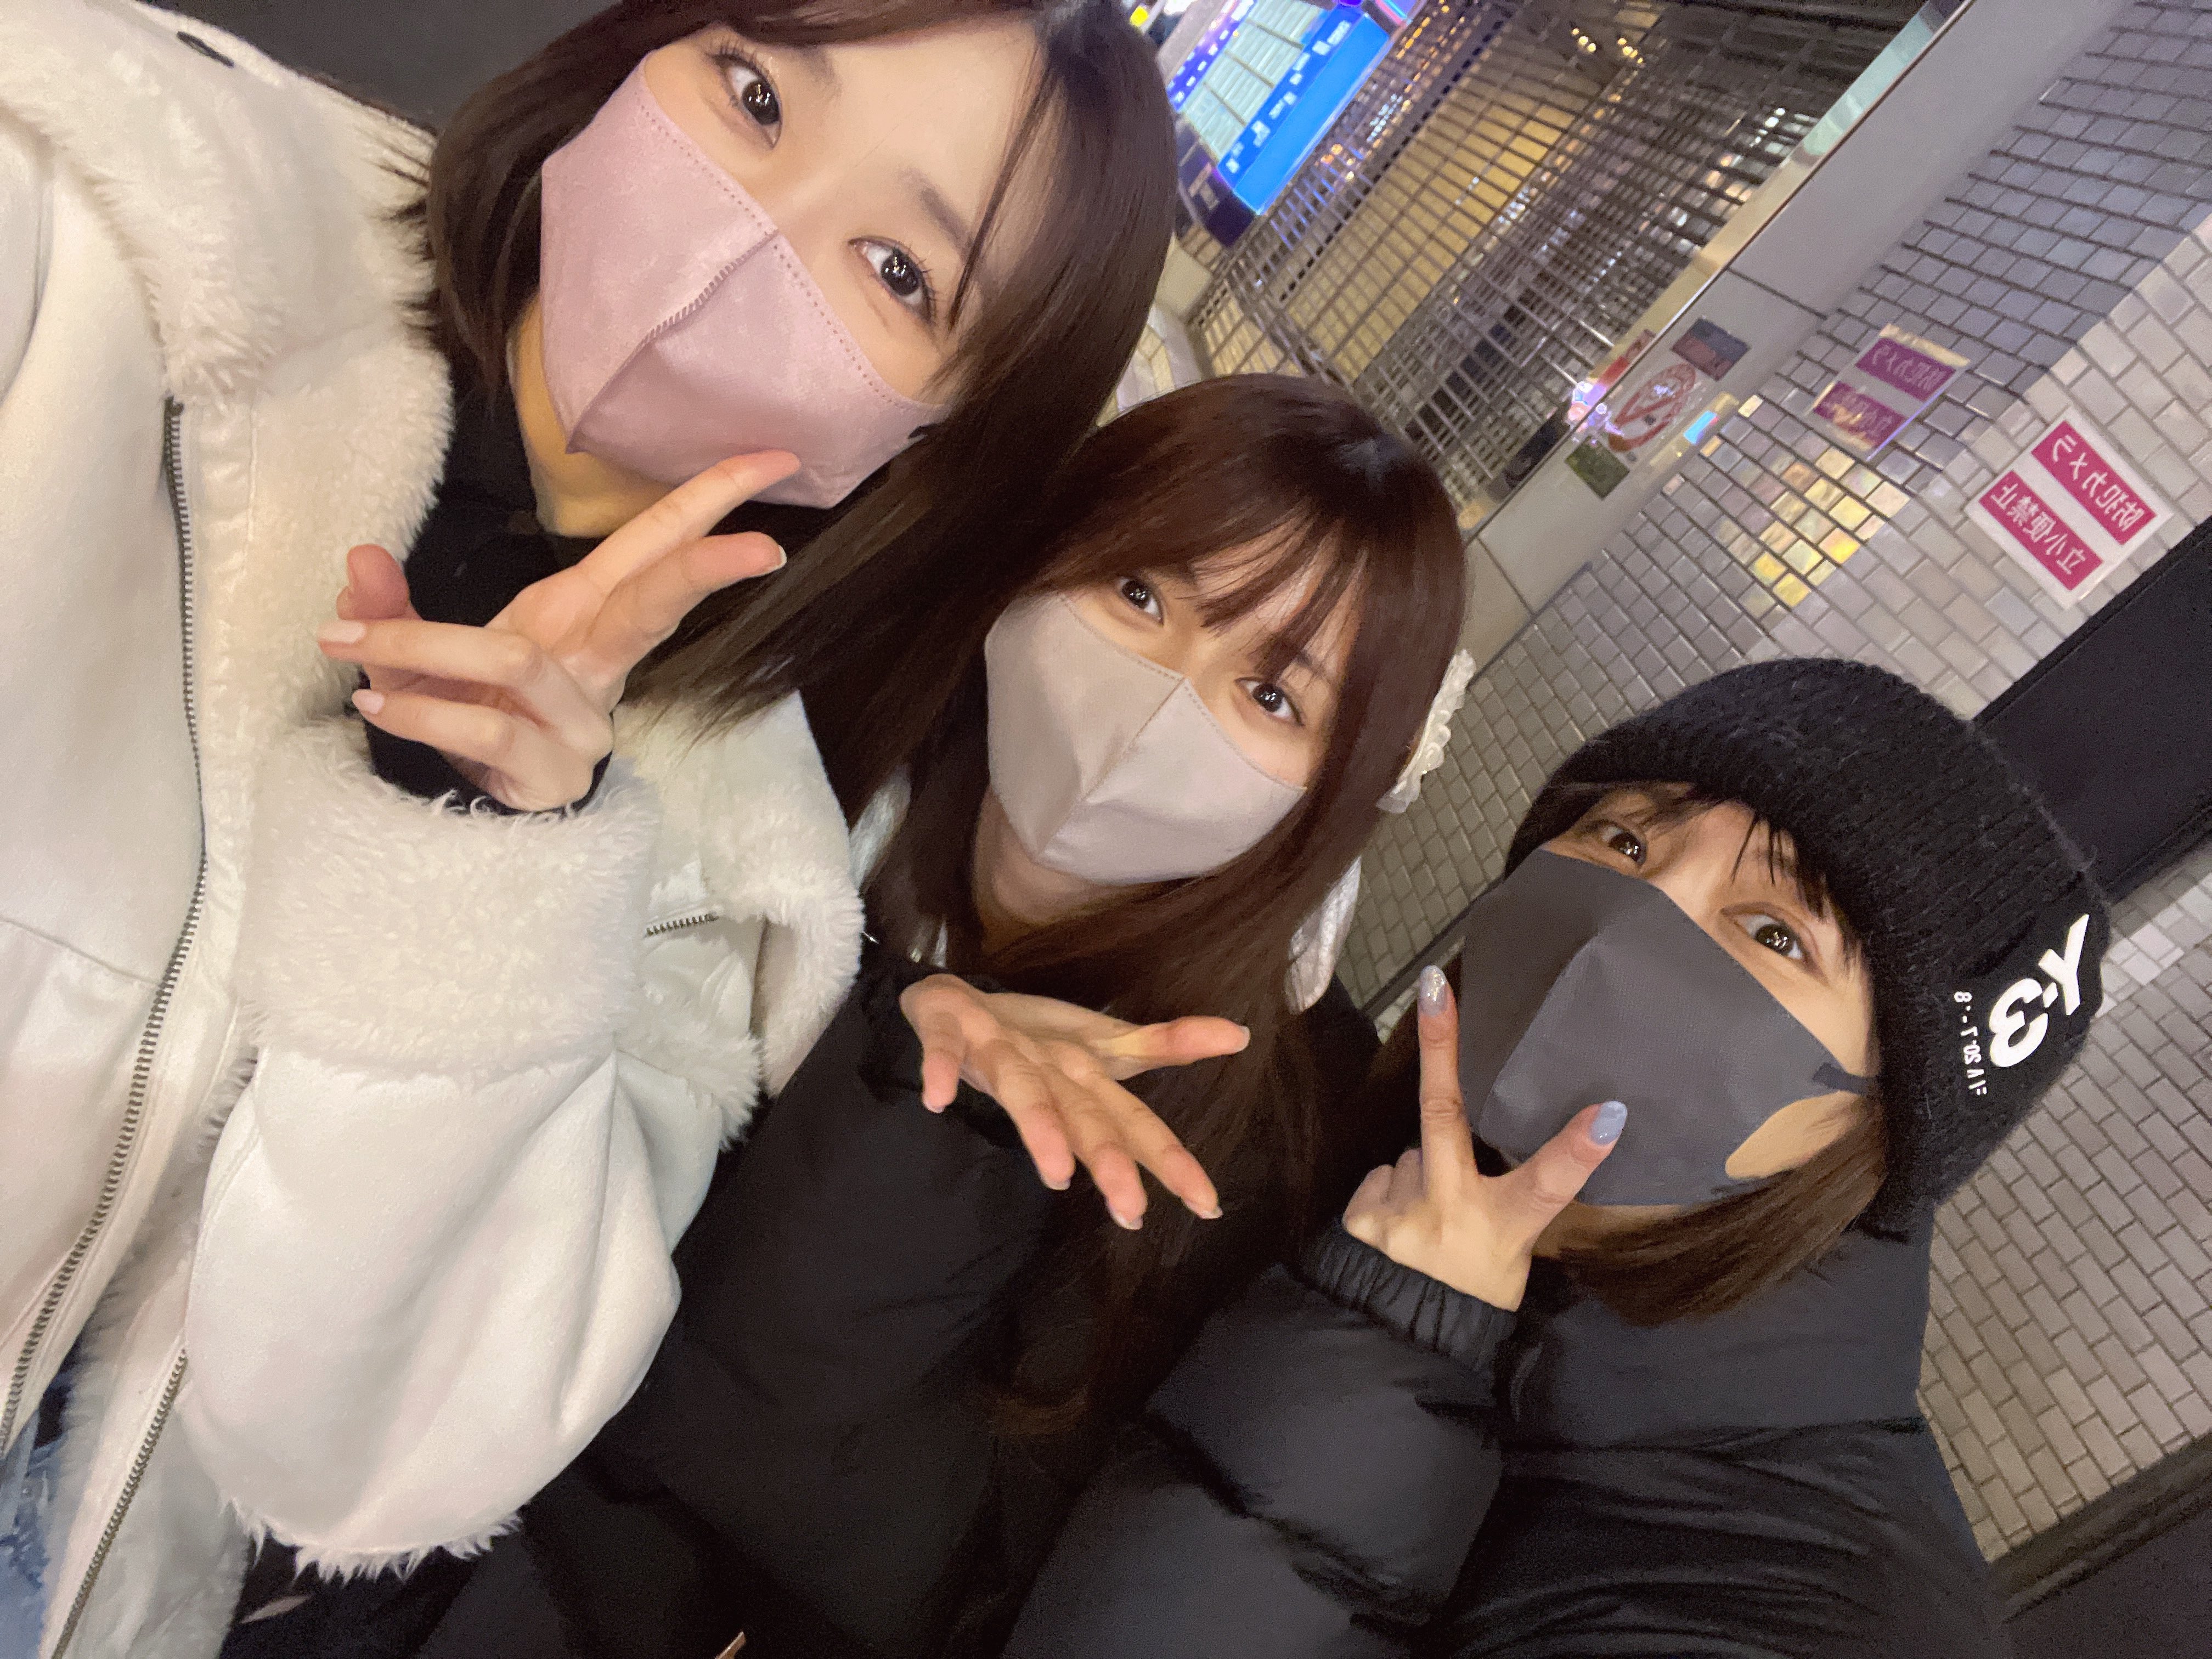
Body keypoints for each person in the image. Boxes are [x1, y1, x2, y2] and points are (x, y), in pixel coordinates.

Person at [0, 2, 1173, 1653]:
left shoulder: (744, 864)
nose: (756, 226)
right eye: (754, 93)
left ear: (944, 440)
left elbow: (363, 1466)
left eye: (899, 272)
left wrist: (486, 852)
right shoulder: (110, 233)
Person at [256, 376, 1468, 1659]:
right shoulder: (776, 746)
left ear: (1343, 789)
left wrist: (921, 1129)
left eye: (1274, 698)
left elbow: (946, 1576)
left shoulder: (1236, 1139)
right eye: (1142, 593)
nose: (1164, 698)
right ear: (1042, 555)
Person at [1003, 658, 2108, 1658]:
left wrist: (1381, 1348)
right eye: (1623, 843)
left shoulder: (1821, 1617)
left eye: (1775, 934)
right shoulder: (1310, 1130)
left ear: (1879, 1129)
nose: (1623, 925)